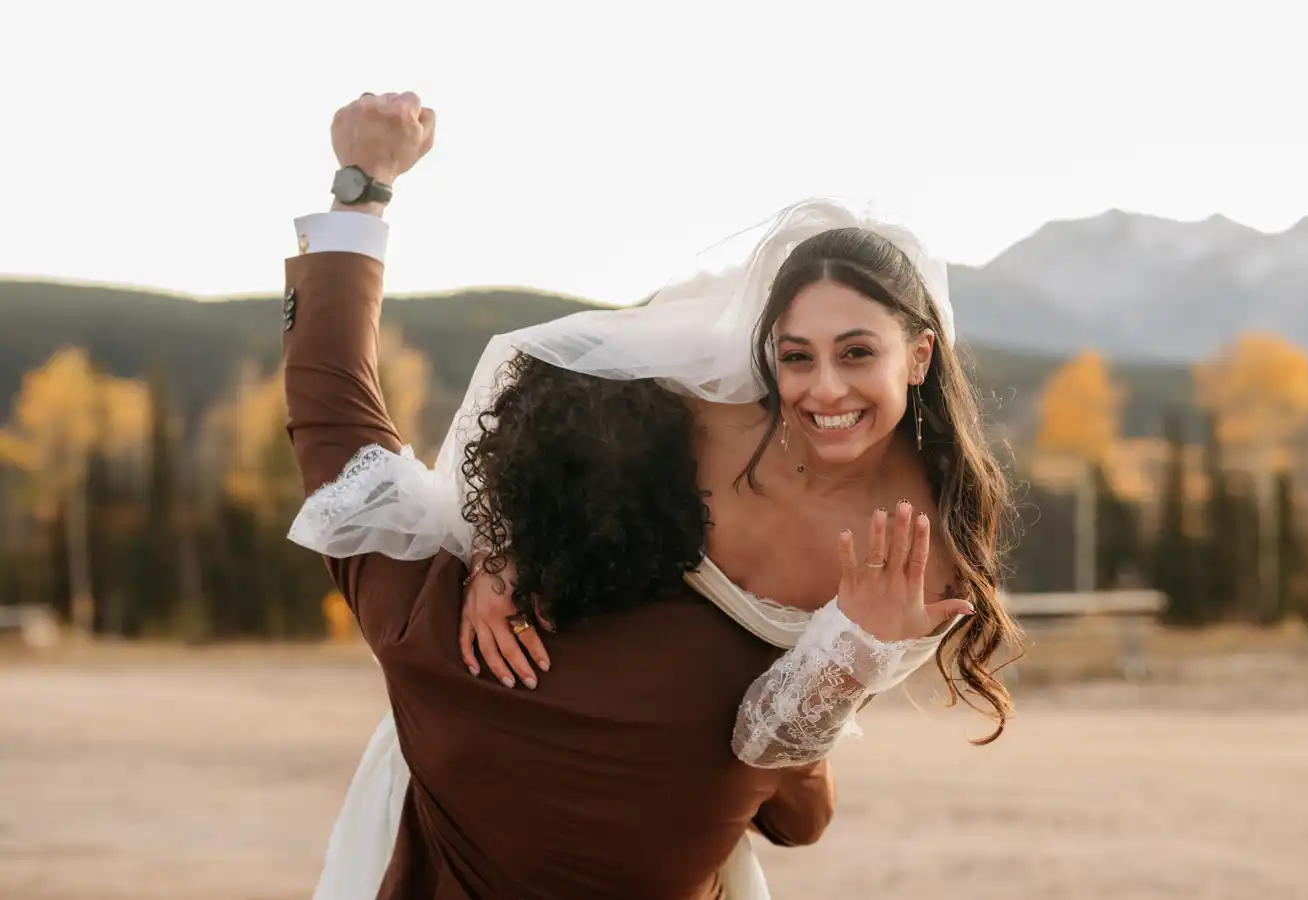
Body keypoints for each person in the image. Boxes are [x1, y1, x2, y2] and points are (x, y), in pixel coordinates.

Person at [286, 91, 977, 900]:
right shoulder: (708, 687)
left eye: (854, 353)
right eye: (798, 357)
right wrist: (847, 655)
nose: (823, 388)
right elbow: (796, 802)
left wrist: (499, 539)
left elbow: (334, 423)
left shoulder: (427, 631)